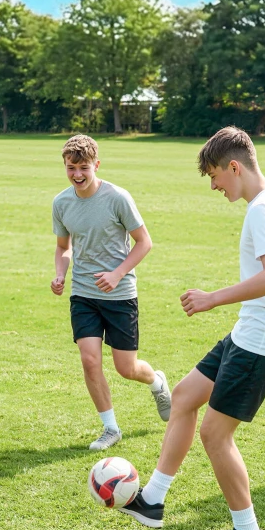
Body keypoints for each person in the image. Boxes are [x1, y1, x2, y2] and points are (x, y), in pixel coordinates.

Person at [119, 127, 265, 530]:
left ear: (234, 166)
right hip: (254, 332)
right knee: (185, 396)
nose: (214, 186)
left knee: (215, 433)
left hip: (262, 340)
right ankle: (152, 500)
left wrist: (213, 299)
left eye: (214, 176)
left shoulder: (263, 210)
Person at [51, 134, 172, 451]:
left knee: (126, 368)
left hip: (120, 296)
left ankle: (157, 381)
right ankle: (111, 428)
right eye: (71, 167)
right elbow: (63, 247)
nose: (77, 174)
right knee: (90, 360)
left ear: (96, 165)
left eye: (84, 167)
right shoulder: (61, 203)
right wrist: (60, 274)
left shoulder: (118, 197)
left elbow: (144, 241)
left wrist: (118, 274)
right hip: (84, 294)